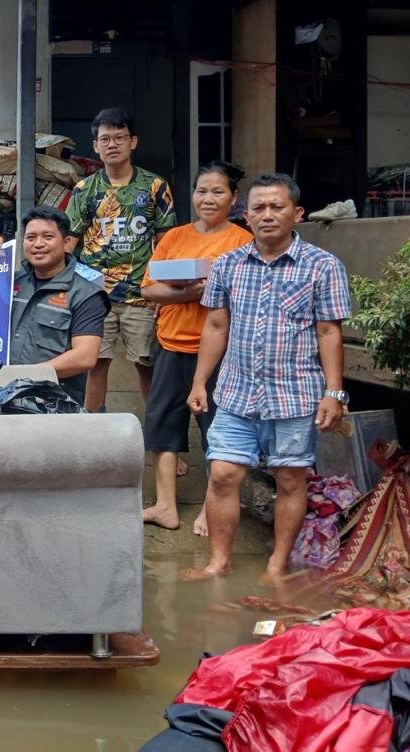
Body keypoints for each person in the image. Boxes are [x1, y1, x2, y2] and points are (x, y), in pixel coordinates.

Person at [185, 173, 351, 581]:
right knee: (223, 474)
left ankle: (276, 565)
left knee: (291, 479)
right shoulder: (228, 265)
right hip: (237, 393)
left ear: (296, 213)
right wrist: (199, 382)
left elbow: (329, 332)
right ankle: (218, 562)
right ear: (246, 215)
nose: (267, 215)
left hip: (295, 395)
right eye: (258, 208)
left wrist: (335, 393)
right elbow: (216, 327)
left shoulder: (323, 266)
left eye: (277, 207)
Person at [139, 162, 253, 533]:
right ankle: (165, 506)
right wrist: (189, 291)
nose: (208, 198)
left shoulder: (242, 241)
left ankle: (210, 509)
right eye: (202, 191)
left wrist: (211, 287)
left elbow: (247, 296)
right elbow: (147, 289)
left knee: (216, 431)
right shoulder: (173, 237)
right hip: (170, 344)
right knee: (161, 427)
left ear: (233, 199)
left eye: (218, 192)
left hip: (220, 353)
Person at [67, 107, 177, 413]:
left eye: (119, 137)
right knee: (94, 365)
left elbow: (166, 243)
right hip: (93, 295)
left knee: (147, 366)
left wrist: (163, 291)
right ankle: (92, 438)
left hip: (140, 295)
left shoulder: (155, 187)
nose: (112, 144)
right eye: (105, 139)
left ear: (133, 142)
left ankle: (161, 441)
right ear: (96, 145)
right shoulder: (83, 190)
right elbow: (69, 242)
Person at [8, 206, 110, 404]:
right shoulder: (10, 283)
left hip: (53, 403)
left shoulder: (85, 294)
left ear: (65, 242)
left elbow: (85, 357)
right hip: (2, 396)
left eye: (47, 237)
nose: (38, 244)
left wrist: (24, 377)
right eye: (31, 238)